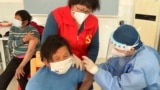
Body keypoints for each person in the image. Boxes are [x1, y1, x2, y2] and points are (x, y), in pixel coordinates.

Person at [41, 0, 100, 89]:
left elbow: (94, 46)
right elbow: (47, 43)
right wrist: (70, 56)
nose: (82, 13)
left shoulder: (93, 21)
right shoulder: (56, 15)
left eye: (87, 11)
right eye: (79, 9)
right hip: (60, 64)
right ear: (72, 4)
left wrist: (87, 63)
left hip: (81, 66)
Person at [83, 24, 160, 90]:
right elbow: (111, 66)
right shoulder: (128, 52)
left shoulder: (144, 65)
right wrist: (94, 68)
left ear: (131, 49)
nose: (113, 50)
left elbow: (120, 87)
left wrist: (97, 72)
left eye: (117, 49)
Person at [26, 35, 93, 90]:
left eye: (65, 56)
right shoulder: (36, 85)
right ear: (46, 61)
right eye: (57, 58)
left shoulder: (72, 70)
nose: (63, 61)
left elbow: (90, 77)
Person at [0, 10, 40, 90]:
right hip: (16, 58)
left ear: (25, 22)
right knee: (3, 78)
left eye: (17, 19)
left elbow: (30, 51)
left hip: (29, 58)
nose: (15, 21)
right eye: (15, 18)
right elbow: (10, 45)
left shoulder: (32, 31)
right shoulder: (13, 29)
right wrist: (24, 39)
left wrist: (21, 66)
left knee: (20, 75)